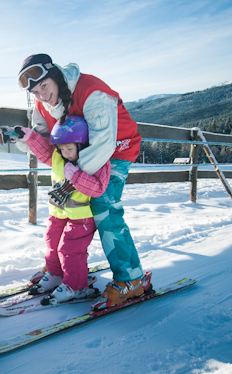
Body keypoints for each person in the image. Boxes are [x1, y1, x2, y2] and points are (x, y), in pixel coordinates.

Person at [15, 53, 149, 311]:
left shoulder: (91, 91)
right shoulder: (42, 106)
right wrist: (18, 138)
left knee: (103, 204)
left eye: (44, 86)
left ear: (56, 77)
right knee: (63, 211)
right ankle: (60, 268)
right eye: (35, 92)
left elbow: (102, 144)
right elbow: (45, 144)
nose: (42, 95)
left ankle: (131, 279)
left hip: (115, 150)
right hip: (74, 160)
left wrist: (73, 183)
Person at [16, 116, 110, 304]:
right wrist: (30, 137)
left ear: (81, 145)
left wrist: (76, 176)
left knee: (69, 249)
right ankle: (55, 274)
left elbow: (98, 188)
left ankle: (77, 286)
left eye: (69, 149)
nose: (65, 153)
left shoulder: (95, 159)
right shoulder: (59, 155)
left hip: (81, 217)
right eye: (61, 149)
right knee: (52, 242)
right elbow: (44, 152)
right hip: (58, 212)